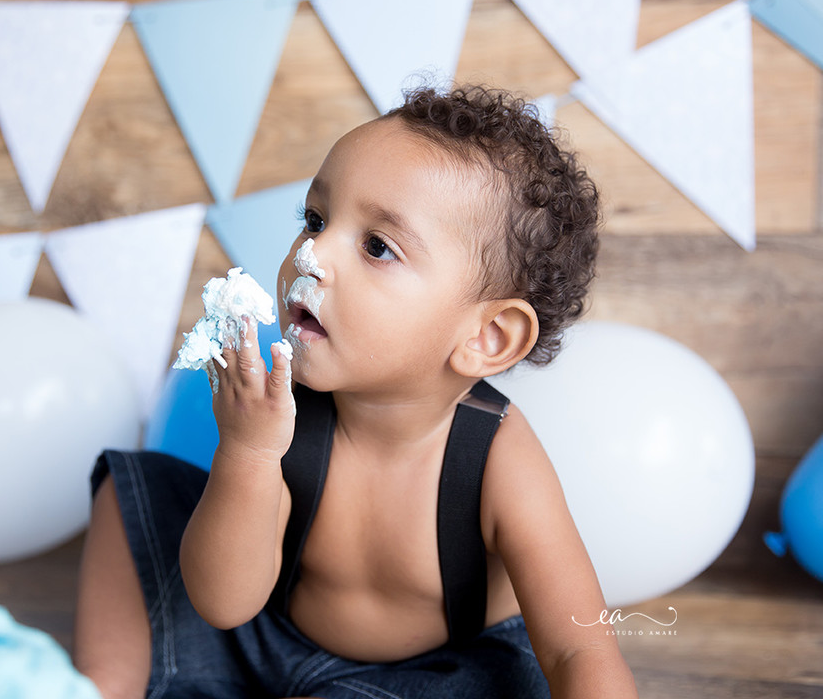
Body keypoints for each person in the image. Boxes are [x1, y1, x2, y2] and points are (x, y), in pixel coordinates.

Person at [73, 85, 639, 698]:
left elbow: (578, 645)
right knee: (136, 493)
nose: (311, 254)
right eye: (315, 220)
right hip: (261, 635)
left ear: (487, 335)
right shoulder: (280, 412)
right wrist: (249, 454)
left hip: (428, 678)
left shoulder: (498, 457)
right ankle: (103, 686)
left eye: (377, 247)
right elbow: (225, 602)